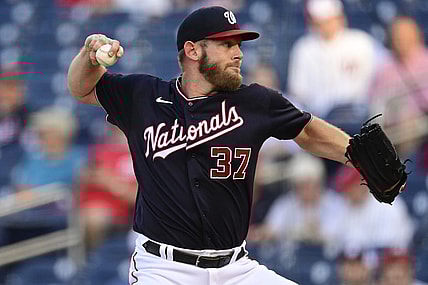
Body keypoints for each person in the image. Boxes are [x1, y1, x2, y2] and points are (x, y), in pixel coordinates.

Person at [68, 6, 355, 285]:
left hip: (236, 268)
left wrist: (357, 154)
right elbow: (81, 88)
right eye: (227, 44)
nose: (239, 53)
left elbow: (307, 131)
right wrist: (89, 56)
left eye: (238, 45)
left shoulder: (254, 102)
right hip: (164, 269)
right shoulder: (143, 96)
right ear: (193, 50)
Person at [288, 0, 378, 120]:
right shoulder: (304, 48)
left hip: (360, 115)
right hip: (320, 118)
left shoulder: (361, 42)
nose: (327, 26)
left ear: (340, 17)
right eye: (321, 22)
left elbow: (381, 76)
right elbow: (298, 92)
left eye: (330, 20)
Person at [250, 152, 345, 245]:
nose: (306, 191)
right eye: (301, 186)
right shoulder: (286, 203)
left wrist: (316, 232)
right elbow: (271, 229)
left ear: (319, 183)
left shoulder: (335, 203)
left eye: (309, 185)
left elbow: (338, 234)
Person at [369, 16, 428, 155]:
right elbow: (376, 103)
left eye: (405, 36)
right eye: (397, 36)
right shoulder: (385, 68)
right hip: (397, 128)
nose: (400, 40)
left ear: (417, 36)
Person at [334, 166, 413, 251]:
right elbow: (339, 241)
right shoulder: (347, 206)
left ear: (362, 183)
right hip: (362, 260)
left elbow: (386, 245)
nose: (347, 193)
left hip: (393, 257)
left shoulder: (386, 203)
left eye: (350, 188)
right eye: (345, 189)